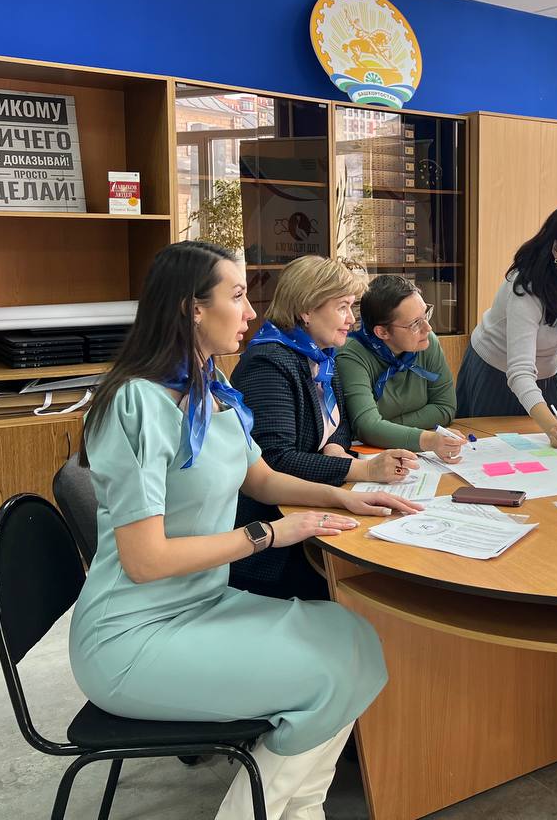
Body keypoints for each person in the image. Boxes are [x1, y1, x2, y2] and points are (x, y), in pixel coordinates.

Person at [69, 240, 420, 820]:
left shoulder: (209, 386)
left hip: (200, 603)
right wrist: (270, 535)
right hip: (131, 636)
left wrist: (349, 496)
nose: (252, 312)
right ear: (193, 309)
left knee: (360, 642)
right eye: (237, 296)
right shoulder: (138, 403)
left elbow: (261, 477)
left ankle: (299, 810)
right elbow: (145, 560)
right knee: (329, 675)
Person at [230, 255, 420, 601]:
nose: (351, 319)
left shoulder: (321, 356)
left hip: (311, 509)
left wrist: (333, 447)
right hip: (271, 540)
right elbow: (274, 460)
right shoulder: (269, 363)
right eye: (342, 307)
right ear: (306, 310)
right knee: (379, 587)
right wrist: (362, 469)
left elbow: (340, 426)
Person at [456, 201, 557, 447]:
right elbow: (519, 371)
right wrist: (551, 426)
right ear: (556, 248)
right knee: (494, 451)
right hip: (497, 371)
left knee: (553, 455)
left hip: (551, 372)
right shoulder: (527, 287)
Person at [338, 274, 466, 459]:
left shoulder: (426, 342)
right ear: (382, 332)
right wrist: (428, 439)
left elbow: (445, 408)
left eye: (425, 315)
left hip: (405, 453)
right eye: (415, 324)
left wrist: (384, 428)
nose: (428, 328)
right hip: (370, 457)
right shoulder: (351, 355)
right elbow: (366, 427)